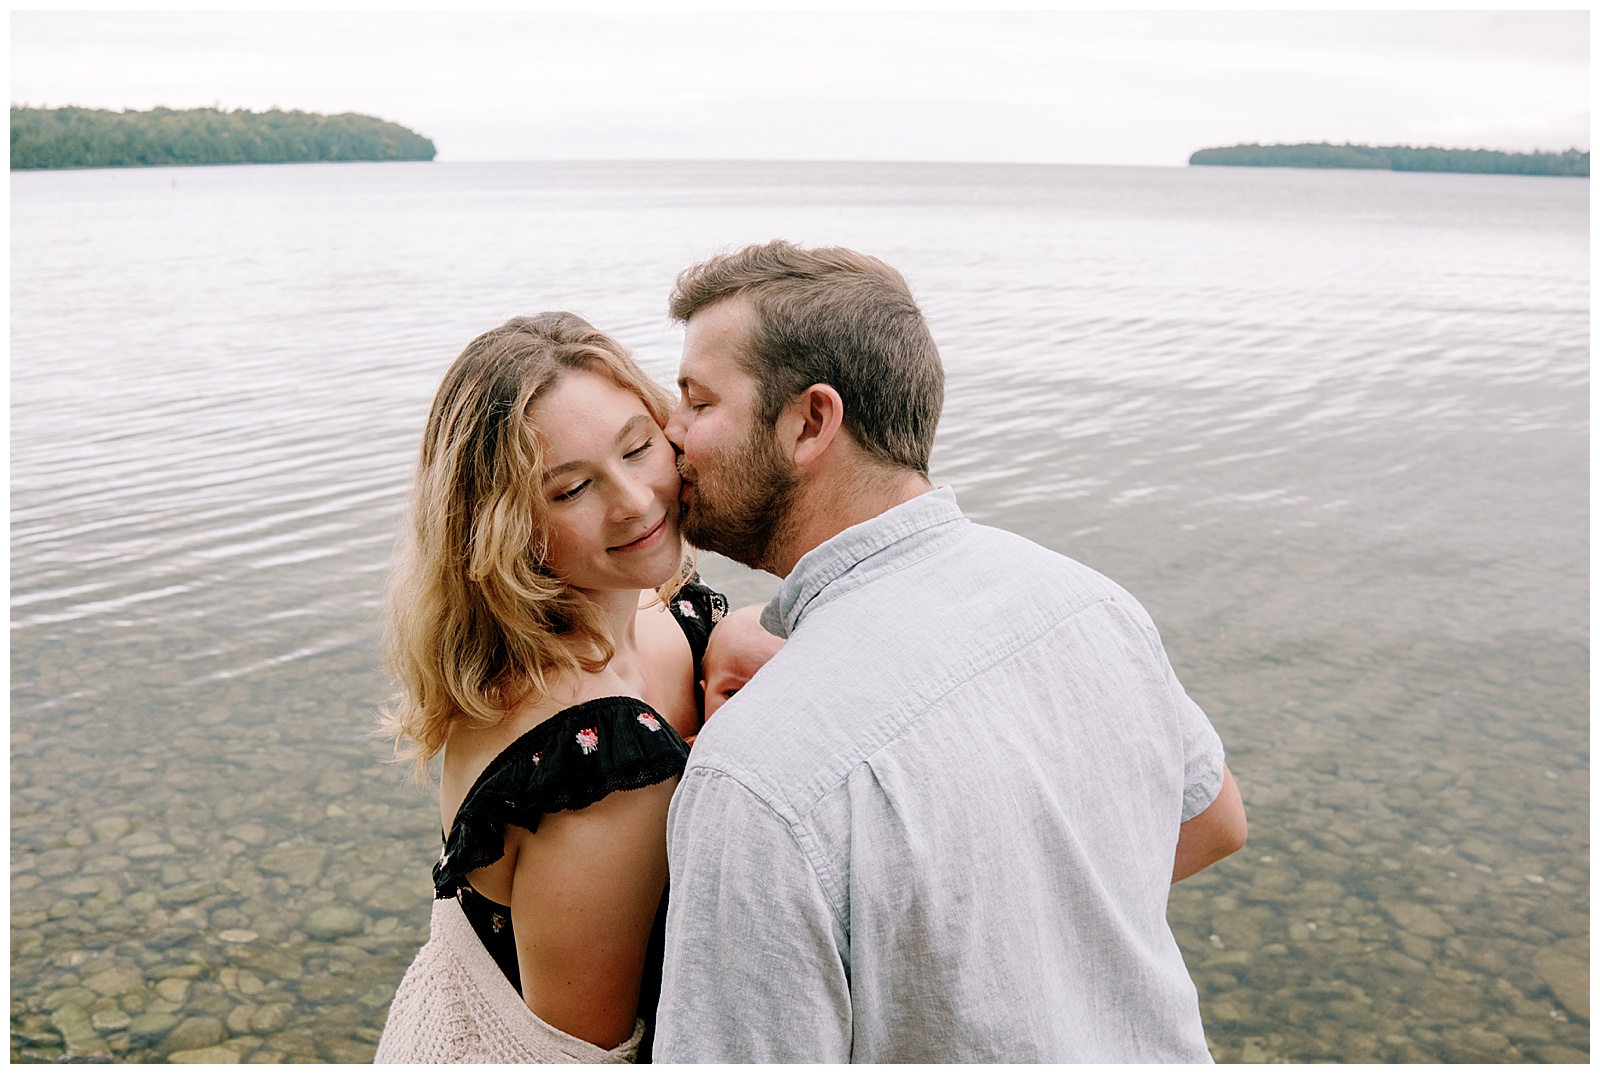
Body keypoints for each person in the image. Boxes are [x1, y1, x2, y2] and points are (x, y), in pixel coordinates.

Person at [653, 240, 1248, 1062]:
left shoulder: (755, 776)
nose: (667, 433)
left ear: (809, 422)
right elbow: (1214, 822)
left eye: (696, 402)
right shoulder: (1091, 602)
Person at [374, 312, 725, 1064]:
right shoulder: (595, 761)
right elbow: (583, 1055)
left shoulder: (668, 620)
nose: (633, 499)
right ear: (505, 529)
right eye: (571, 490)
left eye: (638, 447)